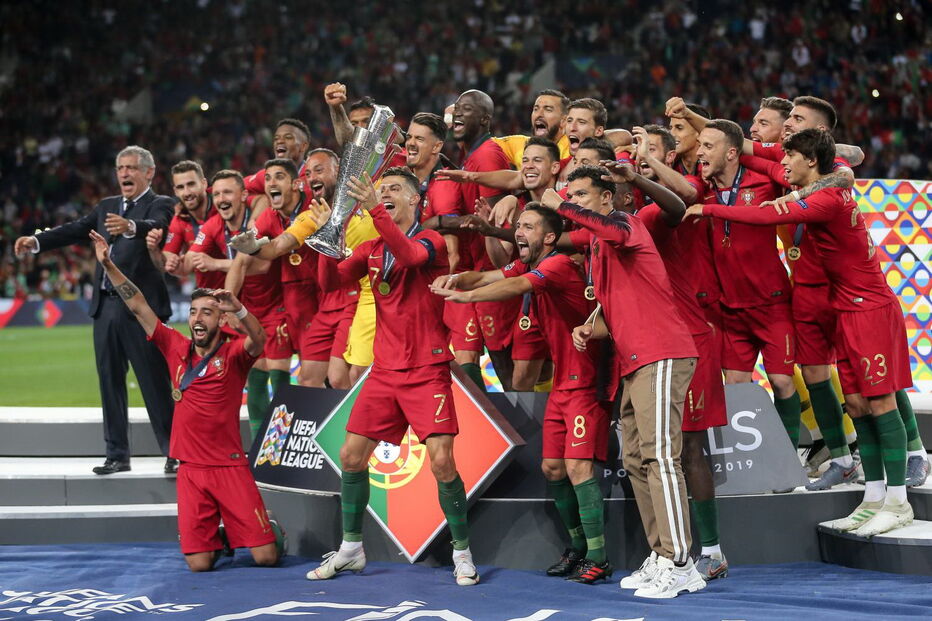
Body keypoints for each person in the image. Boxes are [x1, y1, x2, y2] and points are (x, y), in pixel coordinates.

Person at [685, 128, 915, 537]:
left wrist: (710, 211)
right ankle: (875, 497)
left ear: (810, 161)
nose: (782, 165)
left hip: (870, 309)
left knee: (881, 405)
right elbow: (769, 173)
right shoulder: (816, 189)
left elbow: (765, 216)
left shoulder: (825, 199)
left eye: (789, 157)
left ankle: (899, 501)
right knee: (858, 405)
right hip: (844, 309)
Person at [305, 168, 479, 586]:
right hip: (384, 371)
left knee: (441, 462)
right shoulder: (368, 248)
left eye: (394, 189)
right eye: (380, 190)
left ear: (416, 200)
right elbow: (330, 282)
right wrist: (327, 235)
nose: (384, 194)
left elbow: (411, 257)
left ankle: (462, 553)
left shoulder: (431, 240)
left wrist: (371, 210)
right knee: (350, 456)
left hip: (427, 368)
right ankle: (351, 549)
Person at [431, 205, 612, 584]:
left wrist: (468, 299)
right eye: (517, 226)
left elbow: (515, 286)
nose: (518, 232)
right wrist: (457, 280)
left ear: (548, 237)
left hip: (587, 382)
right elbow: (491, 274)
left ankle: (598, 555)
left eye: (528, 226)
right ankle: (577, 546)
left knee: (579, 468)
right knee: (552, 468)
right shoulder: (531, 265)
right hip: (563, 384)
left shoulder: (559, 264)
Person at [544, 166, 703, 598]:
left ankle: (680, 561)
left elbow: (611, 232)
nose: (572, 200)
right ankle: (659, 554)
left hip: (662, 351)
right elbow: (621, 300)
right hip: (635, 360)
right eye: (569, 193)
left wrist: (565, 207)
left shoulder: (625, 225)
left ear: (606, 200)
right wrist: (590, 326)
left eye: (582, 194)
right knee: (635, 459)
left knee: (661, 458)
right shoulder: (599, 246)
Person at [88, 228, 284, 570]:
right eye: (194, 312)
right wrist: (108, 265)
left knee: (267, 558)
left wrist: (238, 307)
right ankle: (223, 537)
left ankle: (266, 530)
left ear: (220, 319)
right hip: (191, 470)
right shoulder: (175, 347)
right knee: (199, 565)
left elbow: (259, 338)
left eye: (206, 313)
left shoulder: (234, 353)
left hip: (229, 466)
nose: (197, 319)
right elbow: (137, 304)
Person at [14, 146, 175, 475]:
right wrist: (36, 241)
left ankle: (174, 452)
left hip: (141, 312)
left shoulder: (162, 203)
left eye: (131, 168)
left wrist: (130, 226)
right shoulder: (106, 207)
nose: (125, 174)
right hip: (104, 309)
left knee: (155, 383)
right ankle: (116, 454)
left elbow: (156, 225)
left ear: (149, 173)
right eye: (120, 168)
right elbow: (74, 229)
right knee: (109, 382)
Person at [693, 119, 803, 452]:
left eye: (708, 147)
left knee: (783, 381)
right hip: (731, 308)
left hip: (771, 304)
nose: (700, 153)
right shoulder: (702, 188)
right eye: (699, 146)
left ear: (731, 153)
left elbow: (803, 174)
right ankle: (749, 465)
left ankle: (790, 456)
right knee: (736, 386)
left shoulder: (764, 180)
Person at [230, 149, 379, 389]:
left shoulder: (361, 202)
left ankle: (357, 425)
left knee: (341, 377)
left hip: (357, 299)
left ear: (338, 171)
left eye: (319, 170)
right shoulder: (312, 216)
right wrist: (254, 248)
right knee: (307, 379)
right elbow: (278, 246)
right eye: (308, 173)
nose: (312, 177)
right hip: (327, 303)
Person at [186, 170, 292, 439]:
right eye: (217, 194)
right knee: (255, 377)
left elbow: (263, 263)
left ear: (244, 196)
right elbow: (190, 260)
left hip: (276, 305)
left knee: (279, 376)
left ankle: (282, 443)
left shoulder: (259, 219)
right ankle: (260, 446)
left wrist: (216, 263)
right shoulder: (213, 226)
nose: (221, 198)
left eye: (228, 193)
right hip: (248, 308)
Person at [226, 158, 321, 387]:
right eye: (267, 178)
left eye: (279, 177)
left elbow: (276, 247)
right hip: (290, 298)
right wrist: (229, 303)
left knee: (316, 374)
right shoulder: (269, 216)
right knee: (273, 366)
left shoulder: (315, 207)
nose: (271, 183)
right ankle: (284, 422)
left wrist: (256, 248)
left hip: (321, 293)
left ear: (297, 184)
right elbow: (240, 262)